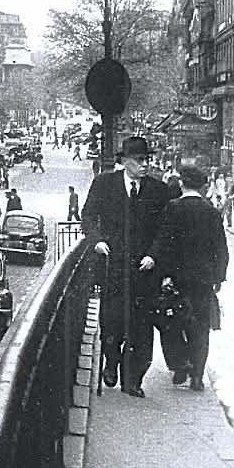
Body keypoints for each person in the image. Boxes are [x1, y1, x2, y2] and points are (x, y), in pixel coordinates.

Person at [81, 136, 174, 398]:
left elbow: (167, 230)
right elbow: (88, 216)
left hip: (145, 270)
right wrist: (96, 240)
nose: (145, 165)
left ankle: (132, 380)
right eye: (140, 161)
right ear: (125, 162)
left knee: (141, 328)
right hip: (114, 267)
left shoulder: (159, 190)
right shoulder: (104, 184)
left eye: (147, 160)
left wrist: (154, 255)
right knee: (112, 321)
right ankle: (111, 361)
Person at [149, 164, 229, 391]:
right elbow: (220, 247)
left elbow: (164, 243)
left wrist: (163, 275)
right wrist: (219, 277)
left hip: (176, 278)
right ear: (203, 186)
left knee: (170, 320)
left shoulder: (173, 208)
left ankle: (179, 363)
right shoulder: (211, 211)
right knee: (201, 327)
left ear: (182, 183)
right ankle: (197, 376)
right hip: (203, 280)